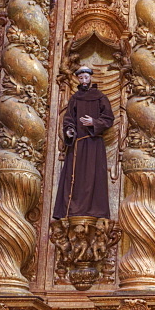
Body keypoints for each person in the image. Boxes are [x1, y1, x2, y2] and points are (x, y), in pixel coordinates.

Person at [52, 66, 114, 219]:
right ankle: (72, 211)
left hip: (94, 144)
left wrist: (94, 122)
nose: (84, 80)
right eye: (81, 78)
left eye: (86, 77)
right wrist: (69, 131)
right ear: (78, 79)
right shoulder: (75, 98)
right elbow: (68, 119)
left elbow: (108, 119)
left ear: (90, 78)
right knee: (75, 178)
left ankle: (95, 212)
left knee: (93, 178)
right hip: (78, 144)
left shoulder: (100, 97)